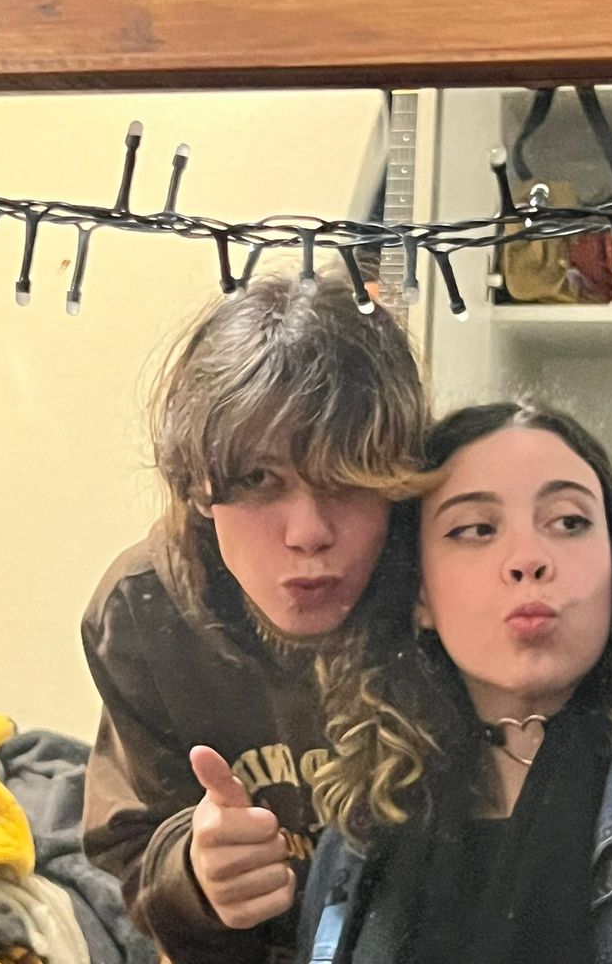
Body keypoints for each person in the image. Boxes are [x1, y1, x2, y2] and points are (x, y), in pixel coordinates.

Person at [81, 268, 430, 964]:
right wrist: (197, 875)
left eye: (348, 477)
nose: (309, 533)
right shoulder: (144, 613)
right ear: (198, 486)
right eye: (258, 480)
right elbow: (131, 846)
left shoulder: (446, 587)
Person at [298, 401, 612, 964]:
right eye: (477, 529)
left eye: (569, 522)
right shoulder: (360, 831)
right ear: (420, 594)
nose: (528, 559)